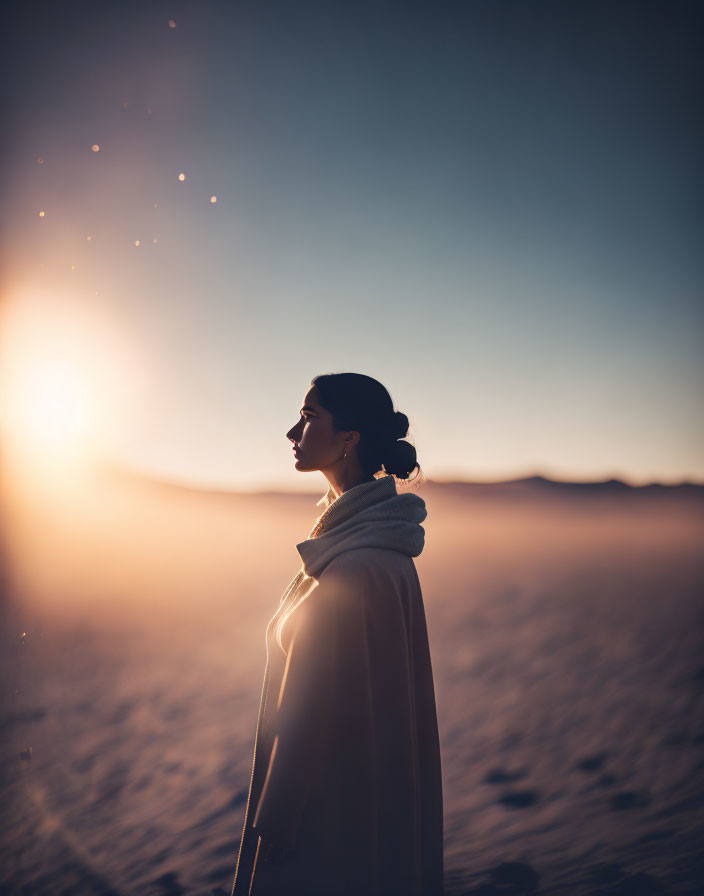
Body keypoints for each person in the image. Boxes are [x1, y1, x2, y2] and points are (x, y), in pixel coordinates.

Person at [230, 372, 444, 896]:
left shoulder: (356, 567)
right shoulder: (378, 551)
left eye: (309, 417)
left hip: (326, 823)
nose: (292, 432)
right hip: (360, 808)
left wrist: (278, 820)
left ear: (349, 437)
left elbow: (313, 709)